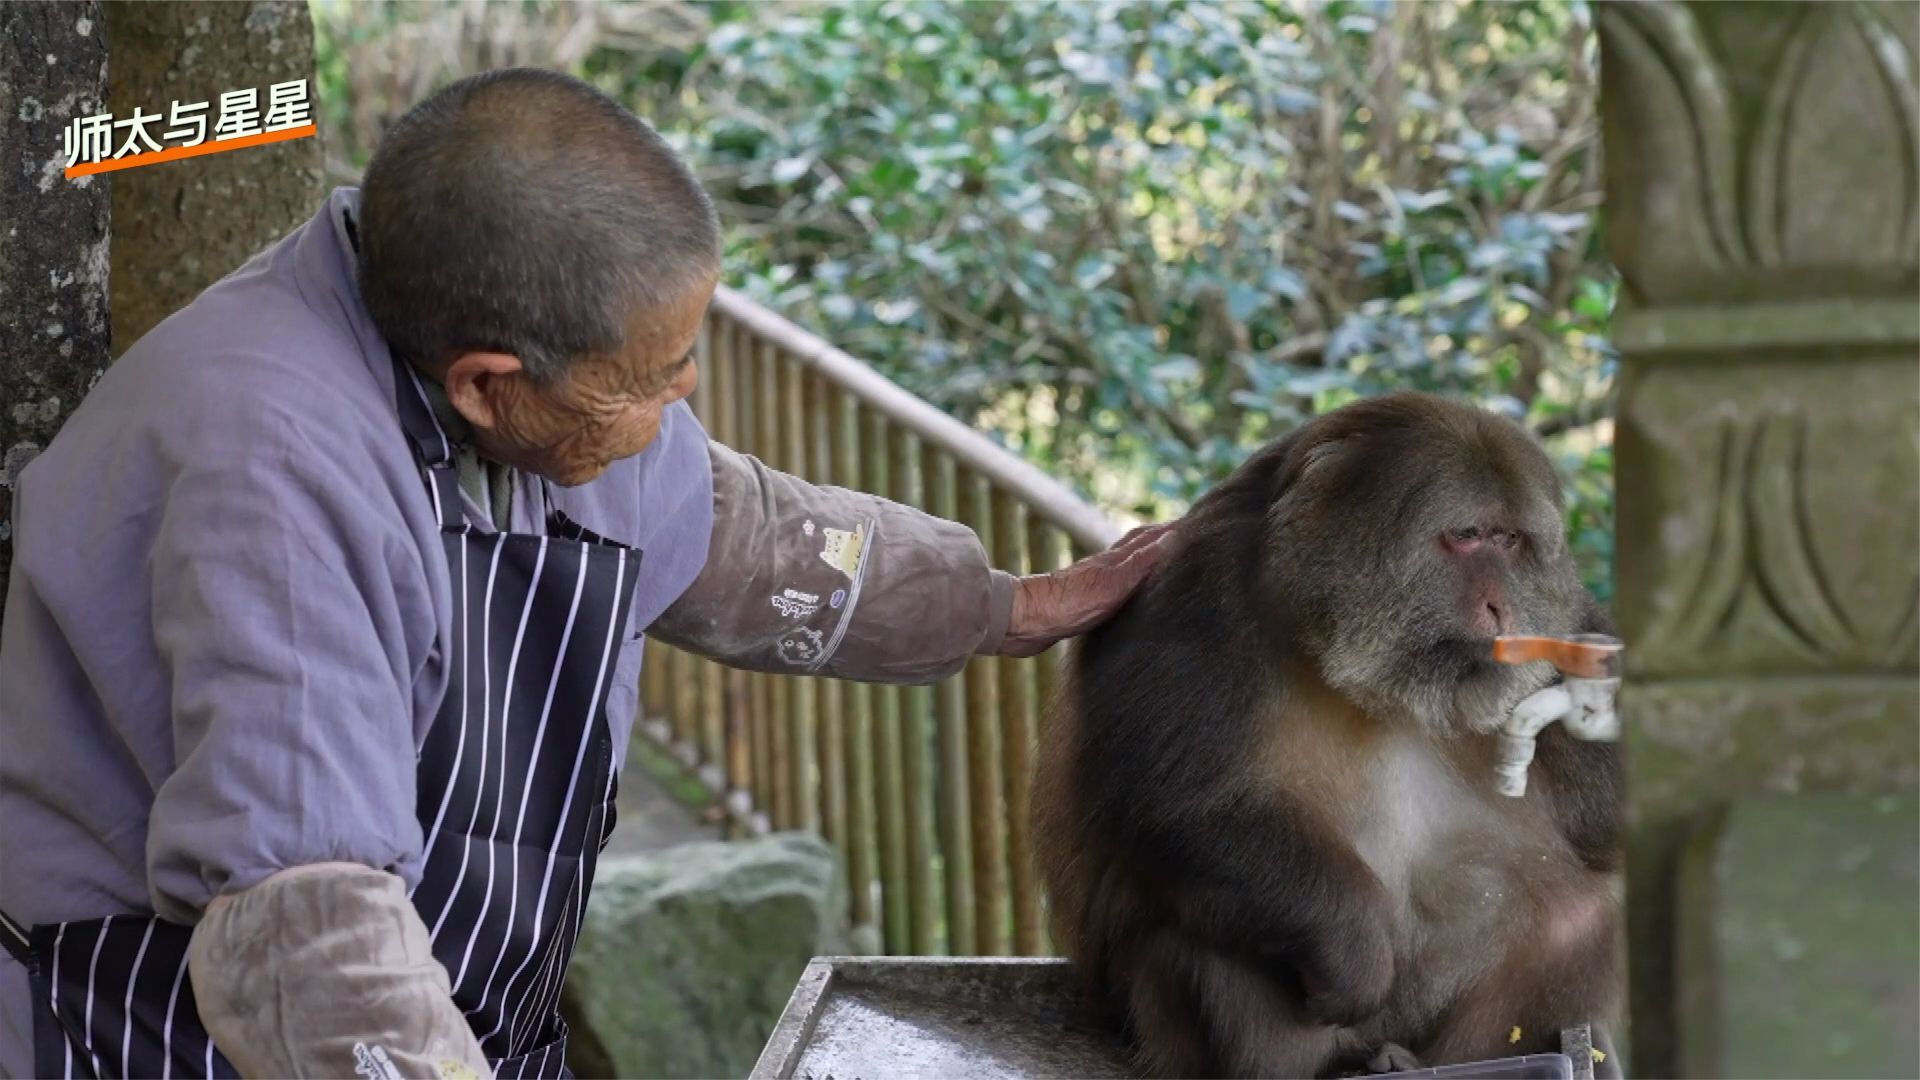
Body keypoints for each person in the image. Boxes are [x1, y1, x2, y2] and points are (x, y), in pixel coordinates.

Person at [0, 68, 1171, 1079]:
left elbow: (732, 531)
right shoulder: (271, 470)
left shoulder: (497, 349)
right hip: (164, 1013)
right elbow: (304, 931)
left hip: (453, 1001)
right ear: (484, 383)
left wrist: (1004, 606)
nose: (684, 401)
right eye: (653, 378)